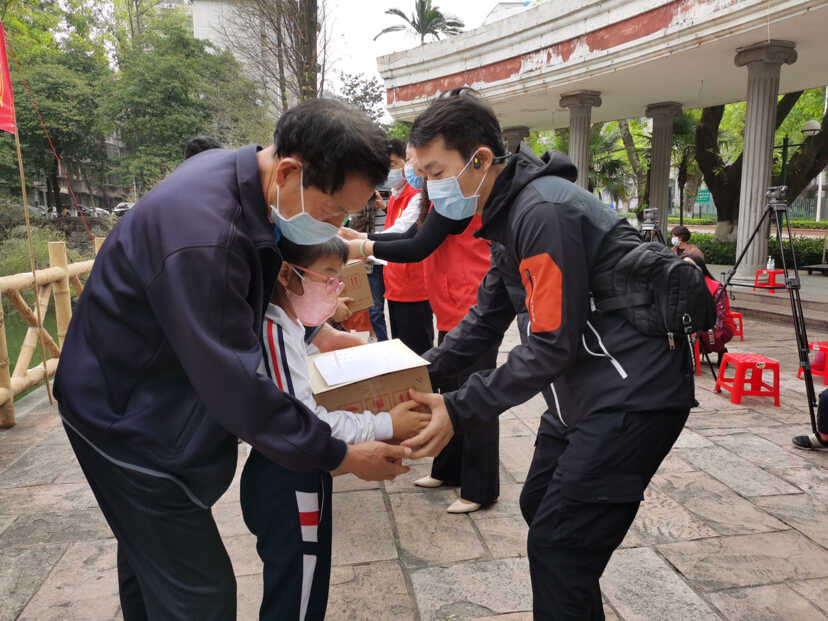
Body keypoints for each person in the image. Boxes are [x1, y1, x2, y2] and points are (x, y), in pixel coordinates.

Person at [52, 98, 412, 621]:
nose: (336, 227)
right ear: (288, 171)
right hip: (124, 420)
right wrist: (341, 454)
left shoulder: (241, 183)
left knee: (153, 563)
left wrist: (318, 330)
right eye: (332, 213)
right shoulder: (207, 238)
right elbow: (236, 386)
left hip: (143, 393)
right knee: (200, 598)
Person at [401, 89, 694, 619]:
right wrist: (415, 372)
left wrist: (458, 407)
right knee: (540, 507)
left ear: (480, 160)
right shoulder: (508, 215)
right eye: (420, 173)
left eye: (435, 171)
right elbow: (484, 319)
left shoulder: (543, 213)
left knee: (560, 547)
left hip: (631, 398)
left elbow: (551, 344)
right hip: (582, 397)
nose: (428, 186)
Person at [241, 235, 428, 621]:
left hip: (304, 470)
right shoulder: (274, 331)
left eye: (338, 278)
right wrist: (385, 422)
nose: (335, 288)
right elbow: (303, 422)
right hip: (288, 482)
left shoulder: (290, 325)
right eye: (327, 277)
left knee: (309, 583)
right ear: (286, 274)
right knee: (297, 594)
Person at [347, 171, 499, 513]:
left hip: (474, 308)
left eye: (428, 164)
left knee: (476, 396)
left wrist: (361, 245)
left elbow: (417, 246)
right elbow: (413, 235)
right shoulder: (441, 201)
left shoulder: (459, 199)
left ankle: (480, 488)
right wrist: (363, 238)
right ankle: (448, 470)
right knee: (448, 394)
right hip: (450, 308)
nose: (417, 169)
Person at [373, 139, 433, 354]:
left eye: (394, 164)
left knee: (418, 353)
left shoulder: (417, 196)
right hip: (396, 286)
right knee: (403, 351)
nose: (388, 172)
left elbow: (402, 233)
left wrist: (363, 243)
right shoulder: (395, 197)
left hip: (414, 288)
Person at [684, 255, 735, 364]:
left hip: (716, 323)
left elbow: (719, 316)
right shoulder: (682, 285)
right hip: (693, 322)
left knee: (708, 331)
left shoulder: (716, 287)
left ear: (700, 268)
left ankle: (720, 349)